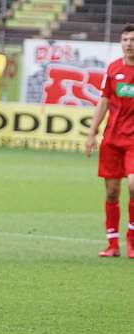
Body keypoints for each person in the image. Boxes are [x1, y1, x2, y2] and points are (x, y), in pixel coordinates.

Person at [85, 23, 134, 259]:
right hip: (112, 139)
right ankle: (112, 244)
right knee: (112, 192)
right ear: (120, 42)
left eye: (132, 40)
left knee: (133, 186)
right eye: (125, 40)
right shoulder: (113, 69)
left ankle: (132, 240)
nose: (129, 44)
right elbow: (103, 102)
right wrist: (92, 133)